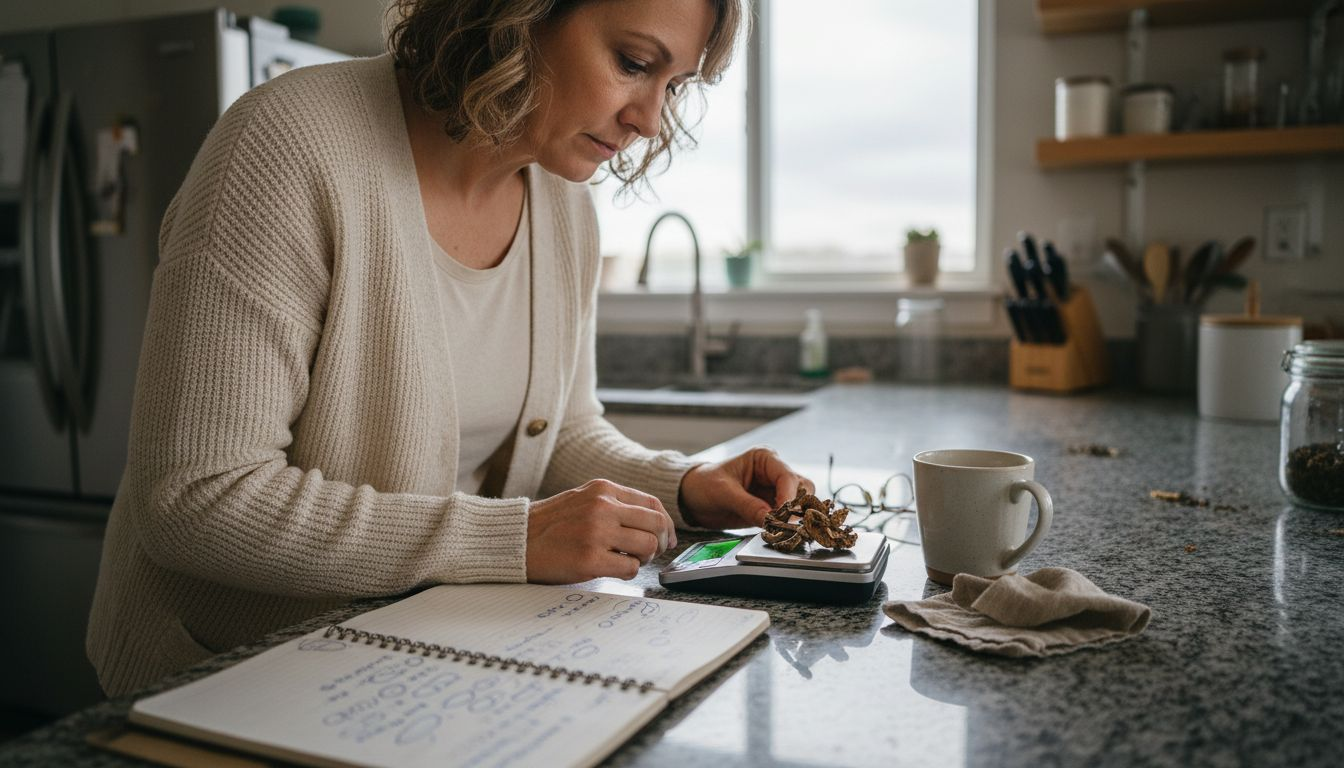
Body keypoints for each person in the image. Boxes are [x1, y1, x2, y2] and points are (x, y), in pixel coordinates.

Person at [86, 0, 813, 697]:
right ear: (521, 12)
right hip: (221, 678)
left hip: (397, 665)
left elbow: (561, 433)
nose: (650, 119)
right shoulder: (286, 144)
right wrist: (512, 540)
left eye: (674, 84)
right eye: (632, 62)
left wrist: (682, 488)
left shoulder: (565, 208)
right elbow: (196, 498)